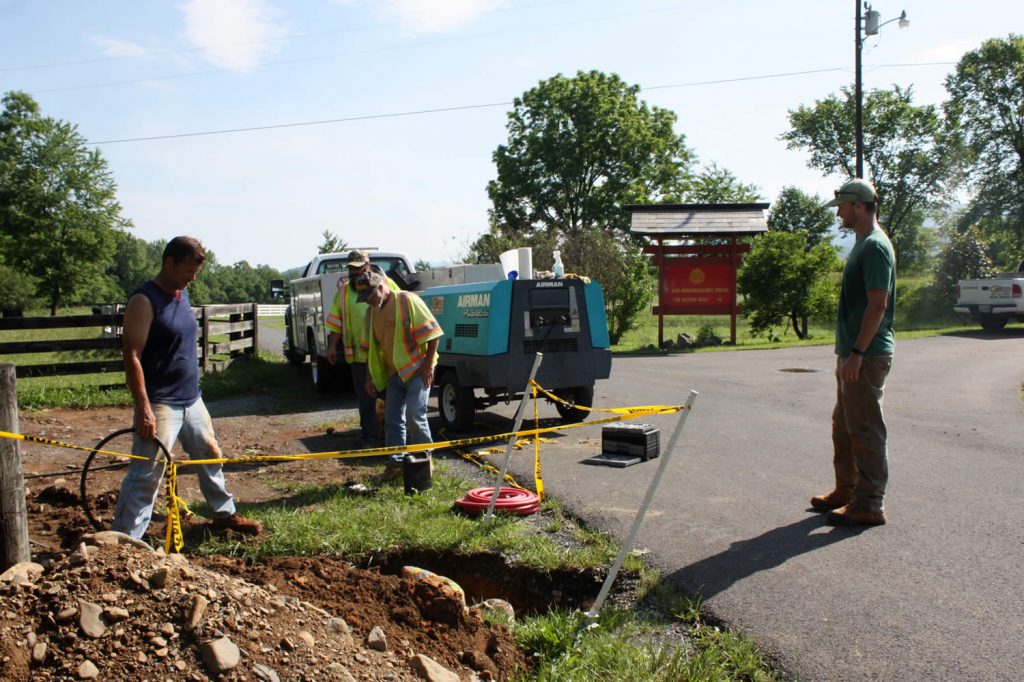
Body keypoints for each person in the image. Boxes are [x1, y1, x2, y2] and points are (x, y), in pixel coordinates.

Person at [112, 236, 262, 538]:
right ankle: (124, 542)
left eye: (196, 273)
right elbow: (131, 356)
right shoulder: (144, 300)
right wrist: (143, 407)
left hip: (191, 399)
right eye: (188, 272)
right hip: (161, 403)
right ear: (169, 263)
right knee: (147, 473)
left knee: (209, 456)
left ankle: (224, 514)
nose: (192, 279)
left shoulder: (181, 295)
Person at [812, 179, 896, 526]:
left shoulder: (875, 247)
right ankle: (846, 489)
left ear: (859, 206)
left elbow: (878, 305)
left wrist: (858, 352)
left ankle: (869, 503)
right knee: (843, 424)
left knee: (864, 428)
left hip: (867, 354)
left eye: (843, 207)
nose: (840, 214)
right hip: (852, 353)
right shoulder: (863, 243)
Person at [355, 269, 443, 472]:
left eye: (370, 296)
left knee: (415, 414)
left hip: (418, 368)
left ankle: (424, 462)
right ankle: (395, 463)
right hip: (395, 373)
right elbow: (371, 350)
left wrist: (428, 365)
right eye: (364, 298)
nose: (368, 301)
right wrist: (369, 378)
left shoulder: (406, 300)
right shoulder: (371, 313)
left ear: (381, 287)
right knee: (392, 419)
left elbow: (433, 333)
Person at [325, 250, 399, 444]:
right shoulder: (344, 292)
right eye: (351, 268)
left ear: (368, 266)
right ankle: (370, 437)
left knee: (390, 397)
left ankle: (394, 439)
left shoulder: (387, 284)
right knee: (366, 399)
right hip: (359, 356)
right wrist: (332, 345)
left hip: (384, 354)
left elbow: (400, 311)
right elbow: (335, 321)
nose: (355, 272)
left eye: (359, 268)